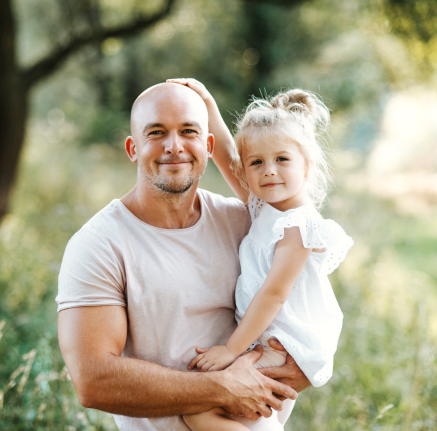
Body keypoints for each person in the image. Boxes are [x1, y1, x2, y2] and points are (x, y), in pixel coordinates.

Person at [56, 82, 309, 431]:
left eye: (188, 131)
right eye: (156, 132)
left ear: (208, 146)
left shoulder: (243, 223)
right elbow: (92, 379)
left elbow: (305, 294)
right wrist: (221, 389)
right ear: (133, 148)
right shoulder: (99, 244)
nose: (174, 147)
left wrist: (303, 367)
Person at [166, 79, 353, 431]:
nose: (268, 170)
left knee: (198, 408)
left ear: (307, 165)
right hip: (263, 338)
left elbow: (274, 294)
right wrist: (207, 101)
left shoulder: (299, 224)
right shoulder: (264, 206)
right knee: (251, 420)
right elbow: (223, 154)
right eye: (257, 163)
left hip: (280, 343)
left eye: (282, 159)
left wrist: (230, 349)